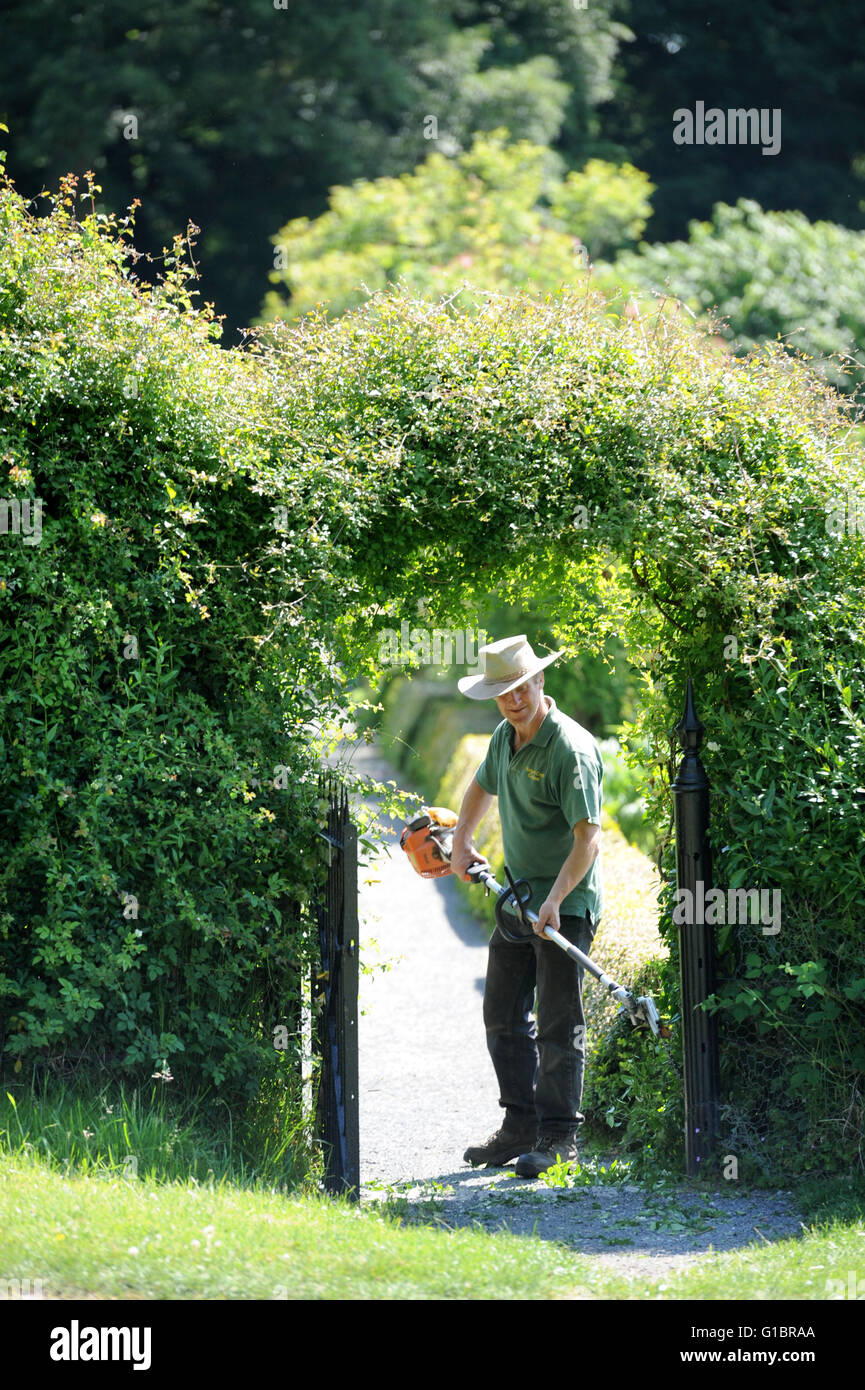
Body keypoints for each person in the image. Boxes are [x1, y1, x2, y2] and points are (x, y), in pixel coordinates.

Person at [450, 635, 604, 1177]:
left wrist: (558, 901)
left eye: (520, 686)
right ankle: (519, 1127)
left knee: (560, 1023)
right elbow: (480, 786)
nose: (513, 699)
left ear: (540, 681)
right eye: (502, 692)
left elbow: (588, 839)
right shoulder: (504, 737)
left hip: (567, 904)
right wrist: (462, 837)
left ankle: (560, 1138)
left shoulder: (571, 749)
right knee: (502, 1015)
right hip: (517, 901)